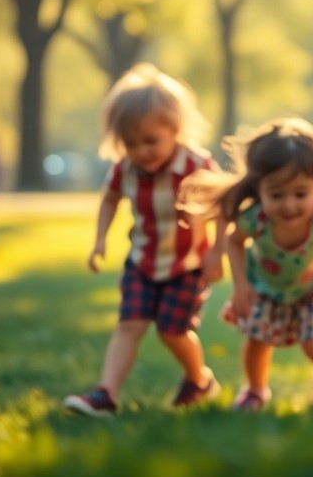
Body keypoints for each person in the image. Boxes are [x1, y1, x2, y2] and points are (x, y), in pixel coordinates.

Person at [63, 64, 221, 416]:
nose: (142, 151)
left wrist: (218, 254)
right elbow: (109, 198)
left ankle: (199, 380)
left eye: (151, 141)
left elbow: (222, 210)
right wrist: (100, 239)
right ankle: (106, 394)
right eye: (131, 143)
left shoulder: (196, 165)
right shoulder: (125, 167)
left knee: (172, 331)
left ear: (175, 129)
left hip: (187, 265)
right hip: (142, 261)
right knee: (129, 324)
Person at [182, 118, 313, 411]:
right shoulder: (256, 219)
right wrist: (241, 287)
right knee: (257, 342)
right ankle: (255, 390)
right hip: (265, 288)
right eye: (276, 195)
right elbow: (234, 243)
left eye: (301, 194)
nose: (289, 205)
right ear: (258, 189)